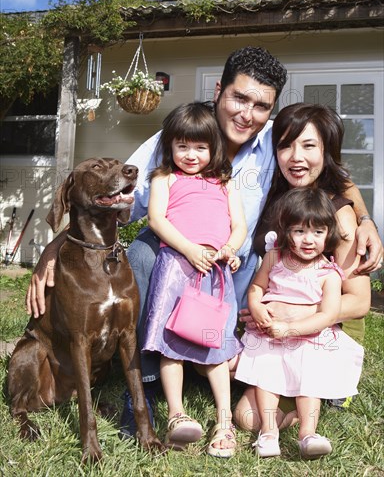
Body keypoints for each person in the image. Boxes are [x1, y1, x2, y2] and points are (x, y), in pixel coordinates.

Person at [25, 48, 382, 436]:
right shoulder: (180, 137)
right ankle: (144, 386)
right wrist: (53, 246)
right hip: (176, 255)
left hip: (238, 263)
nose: (248, 114)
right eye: (239, 98)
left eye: (261, 106)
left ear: (272, 110)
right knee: (142, 253)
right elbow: (113, 194)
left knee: (256, 282)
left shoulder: (277, 141)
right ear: (218, 91)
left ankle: (225, 371)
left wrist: (365, 219)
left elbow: (328, 167)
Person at [234, 102, 371, 434]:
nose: (295, 156)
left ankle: (326, 391)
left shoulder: (338, 214)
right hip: (275, 333)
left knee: (249, 418)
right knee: (243, 408)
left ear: (326, 150)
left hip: (322, 331)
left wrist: (292, 313)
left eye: (309, 146)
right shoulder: (276, 195)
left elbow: (360, 302)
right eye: (285, 145)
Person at [142, 102, 246, 456]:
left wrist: (230, 249)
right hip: (177, 266)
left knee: (213, 345)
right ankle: (177, 414)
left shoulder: (224, 182)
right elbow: (156, 219)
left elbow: (239, 225)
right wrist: (188, 249)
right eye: (182, 145)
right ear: (170, 145)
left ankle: (225, 420)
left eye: (200, 147)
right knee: (172, 344)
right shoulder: (164, 178)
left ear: (213, 148)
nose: (190, 154)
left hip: (214, 273)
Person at [234, 187, 364, 459]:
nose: (308, 240)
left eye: (317, 232)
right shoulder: (274, 258)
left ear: (328, 234)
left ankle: (308, 432)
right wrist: (256, 305)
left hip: (309, 341)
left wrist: (291, 328)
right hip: (271, 339)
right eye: (299, 231)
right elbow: (257, 288)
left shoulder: (329, 274)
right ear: (286, 232)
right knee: (265, 379)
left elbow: (328, 315)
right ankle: (269, 433)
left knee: (309, 383)